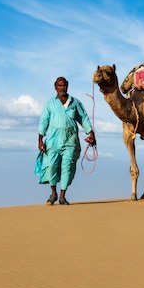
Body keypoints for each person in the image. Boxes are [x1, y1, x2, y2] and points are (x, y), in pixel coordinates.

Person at [37, 76, 96, 205]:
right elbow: (43, 121)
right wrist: (40, 140)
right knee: (51, 165)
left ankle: (62, 195)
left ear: (67, 86)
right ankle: (53, 193)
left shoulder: (75, 102)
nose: (62, 88)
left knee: (67, 167)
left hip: (70, 140)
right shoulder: (50, 103)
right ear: (55, 87)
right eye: (59, 85)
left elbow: (83, 118)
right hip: (53, 140)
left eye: (64, 85)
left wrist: (91, 133)